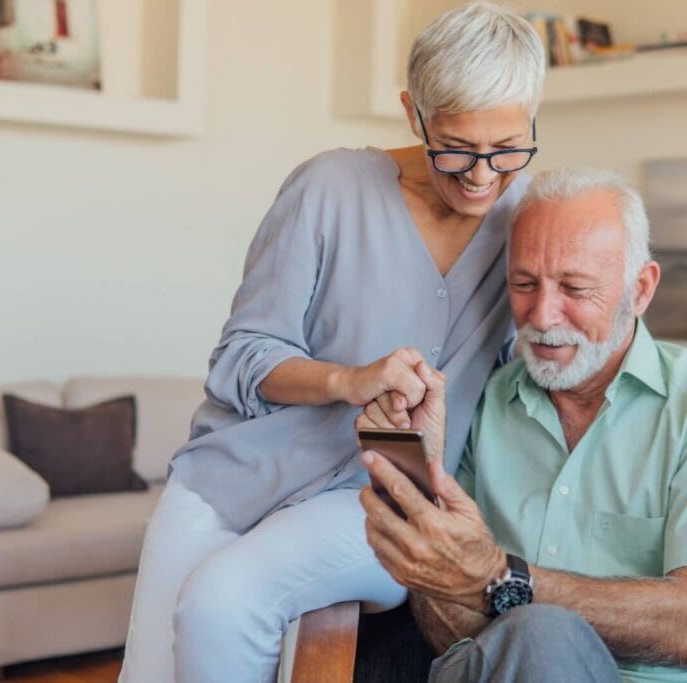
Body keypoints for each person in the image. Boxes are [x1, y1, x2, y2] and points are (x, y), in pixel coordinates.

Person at [119, 4, 546, 682]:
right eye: (457, 148)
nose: (482, 175)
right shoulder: (329, 188)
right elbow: (242, 356)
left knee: (220, 605)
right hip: (232, 475)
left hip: (382, 495)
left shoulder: (528, 219)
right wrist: (349, 381)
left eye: (508, 148)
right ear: (415, 114)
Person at [357, 167, 687, 683]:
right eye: (523, 284)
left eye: (574, 288)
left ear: (640, 289)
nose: (543, 315)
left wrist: (498, 578)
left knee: (543, 634)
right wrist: (422, 488)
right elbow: (452, 633)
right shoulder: (485, 399)